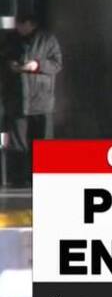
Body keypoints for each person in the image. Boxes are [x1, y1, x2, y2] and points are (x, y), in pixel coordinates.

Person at [0, 14, 62, 186]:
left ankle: (42, 178)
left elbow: (57, 63)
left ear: (30, 24)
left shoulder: (47, 39)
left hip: (40, 100)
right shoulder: (10, 39)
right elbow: (3, 60)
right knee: (18, 142)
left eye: (21, 24)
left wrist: (38, 65)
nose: (18, 28)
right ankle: (18, 178)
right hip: (16, 99)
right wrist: (11, 66)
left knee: (42, 140)